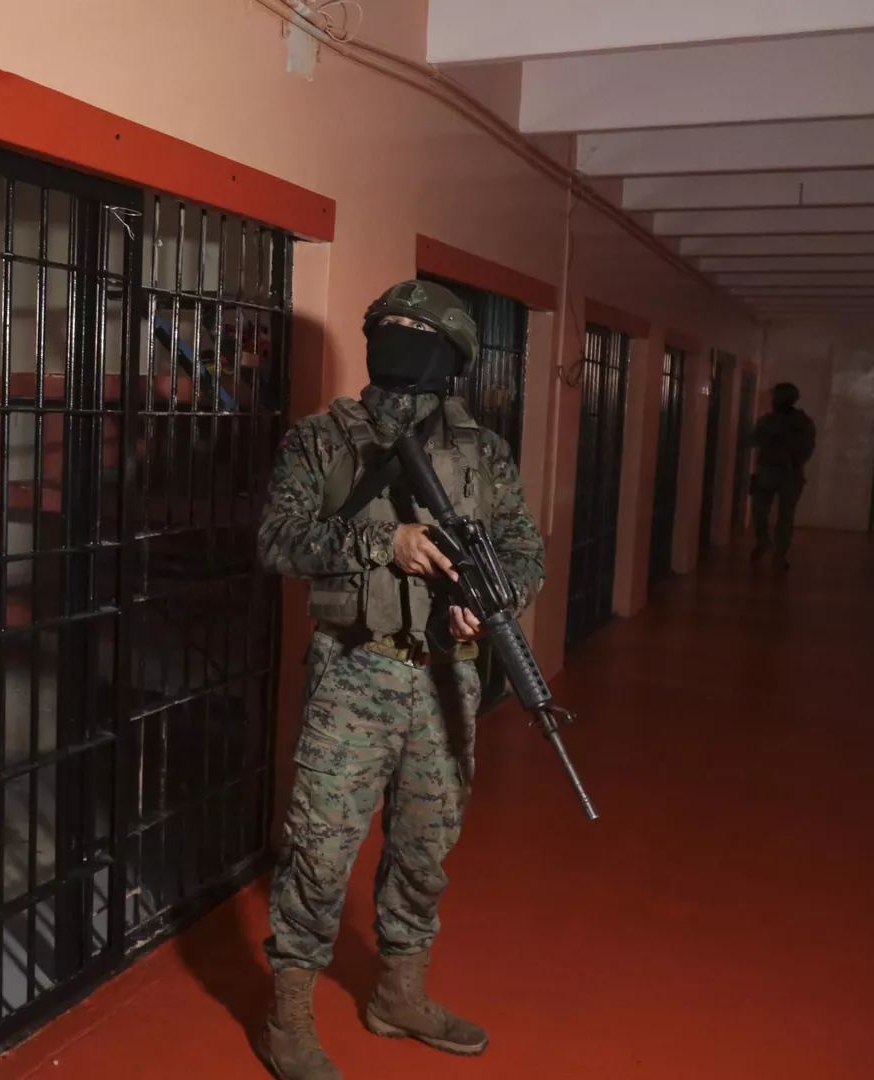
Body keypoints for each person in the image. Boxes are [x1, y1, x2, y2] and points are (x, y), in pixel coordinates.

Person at [254, 280, 544, 1079]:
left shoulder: (483, 451)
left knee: (425, 849)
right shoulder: (323, 439)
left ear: (452, 354)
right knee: (319, 850)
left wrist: (489, 605)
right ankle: (287, 1018)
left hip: (448, 682)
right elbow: (278, 542)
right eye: (393, 325)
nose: (403, 335)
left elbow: (524, 550)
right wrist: (385, 544)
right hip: (356, 671)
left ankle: (398, 994)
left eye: (421, 328)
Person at [747, 382, 817, 570]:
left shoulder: (796, 421)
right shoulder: (775, 420)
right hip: (777, 472)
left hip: (784, 472)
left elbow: (807, 447)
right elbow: (754, 440)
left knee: (779, 516)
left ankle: (777, 552)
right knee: (767, 514)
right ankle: (769, 547)